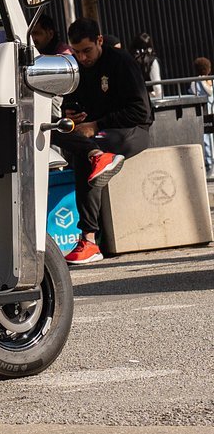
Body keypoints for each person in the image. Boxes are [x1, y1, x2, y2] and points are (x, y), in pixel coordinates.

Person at [52, 17, 153, 265]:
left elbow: (141, 112)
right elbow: (71, 102)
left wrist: (96, 125)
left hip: (130, 130)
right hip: (93, 133)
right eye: (76, 52)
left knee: (86, 157)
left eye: (87, 50)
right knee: (54, 129)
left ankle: (88, 239)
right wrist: (70, 113)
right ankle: (95, 154)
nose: (82, 57)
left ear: (99, 40)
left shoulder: (121, 62)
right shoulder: (76, 67)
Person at [189, 57, 213, 178]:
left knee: (207, 139)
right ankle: (210, 164)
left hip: (204, 113)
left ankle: (210, 164)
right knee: (208, 139)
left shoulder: (199, 81)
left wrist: (201, 80)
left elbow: (193, 92)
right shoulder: (209, 80)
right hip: (209, 112)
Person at [132, 32, 163, 98]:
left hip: (134, 97)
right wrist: (159, 99)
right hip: (149, 97)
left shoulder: (129, 59)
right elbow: (156, 85)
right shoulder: (151, 61)